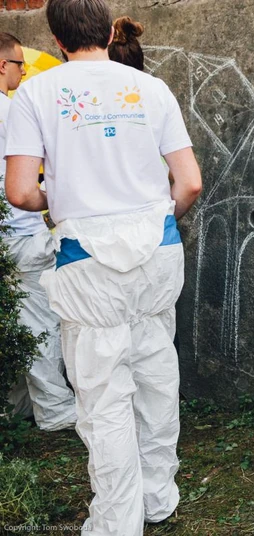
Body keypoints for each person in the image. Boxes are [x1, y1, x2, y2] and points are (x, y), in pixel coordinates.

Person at [4, 0, 202, 534]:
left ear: (56, 38)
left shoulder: (35, 94)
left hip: (87, 258)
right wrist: (159, 221)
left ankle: (118, 521)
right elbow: (189, 183)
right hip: (157, 249)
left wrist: (63, 197)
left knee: (103, 395)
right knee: (156, 376)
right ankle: (159, 498)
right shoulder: (152, 88)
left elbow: (20, 192)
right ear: (108, 30)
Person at [0, 32, 77, 431]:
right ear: (3, 66)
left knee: (12, 323)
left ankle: (16, 406)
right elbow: (27, 180)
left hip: (6, 236)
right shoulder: (10, 111)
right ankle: (55, 409)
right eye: (20, 65)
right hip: (20, 231)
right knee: (40, 322)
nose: (23, 72)